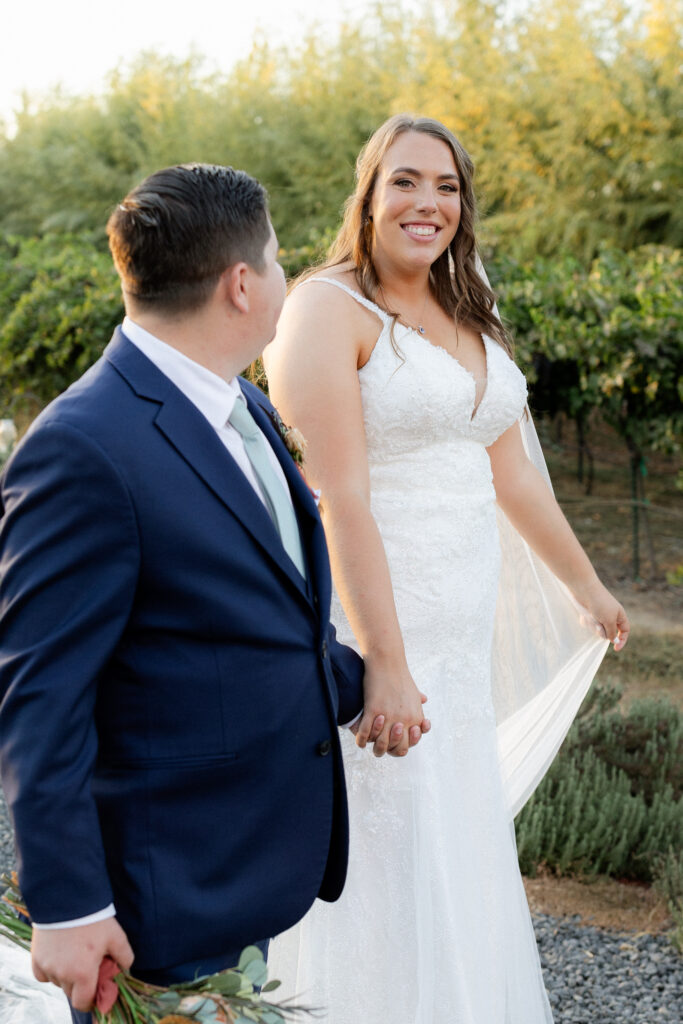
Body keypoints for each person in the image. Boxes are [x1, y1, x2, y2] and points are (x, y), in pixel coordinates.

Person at [0, 163, 427, 1023]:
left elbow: (241, 618)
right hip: (165, 888)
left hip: (245, 861)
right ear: (240, 285)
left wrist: (367, 682)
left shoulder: (240, 404)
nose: (282, 278)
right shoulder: (83, 448)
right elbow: (36, 697)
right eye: (274, 260)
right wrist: (69, 906)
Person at [264, 115, 630, 1022]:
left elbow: (512, 475)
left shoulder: (471, 312)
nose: (428, 202)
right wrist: (384, 663)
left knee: (456, 840)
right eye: (405, 181)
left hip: (459, 638)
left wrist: (587, 586)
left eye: (448, 186)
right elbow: (337, 496)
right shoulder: (323, 307)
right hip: (379, 624)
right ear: (368, 193)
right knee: (386, 845)